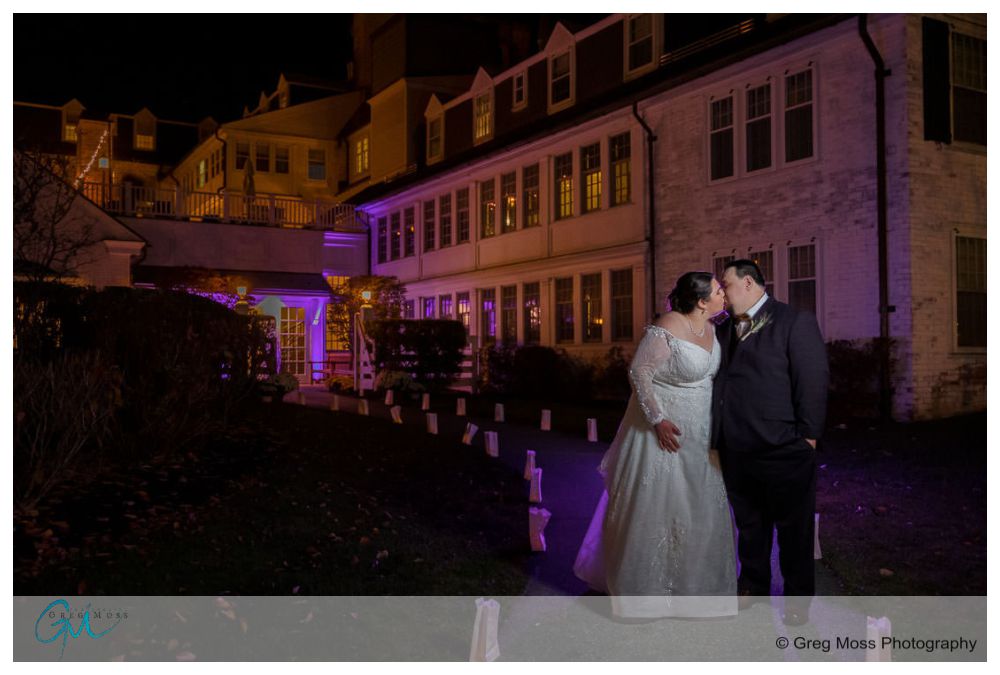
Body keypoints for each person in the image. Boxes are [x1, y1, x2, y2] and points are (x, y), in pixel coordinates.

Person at [573, 272, 737, 619]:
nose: (725, 294)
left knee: (700, 506)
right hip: (665, 431)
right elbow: (639, 371)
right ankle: (645, 595)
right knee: (660, 506)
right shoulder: (669, 324)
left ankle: (694, 590)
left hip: (702, 434)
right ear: (702, 300)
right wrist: (657, 419)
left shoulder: (712, 328)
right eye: (719, 290)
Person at [712, 259, 829, 627]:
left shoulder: (794, 321)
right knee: (750, 526)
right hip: (737, 449)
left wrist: (807, 438)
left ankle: (797, 601)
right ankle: (753, 586)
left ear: (747, 283)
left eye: (726, 286)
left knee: (794, 532)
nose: (723, 296)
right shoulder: (724, 329)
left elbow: (813, 378)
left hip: (784, 449)